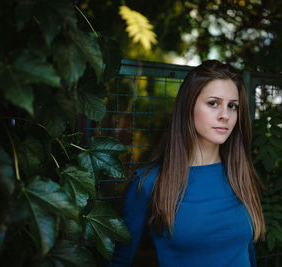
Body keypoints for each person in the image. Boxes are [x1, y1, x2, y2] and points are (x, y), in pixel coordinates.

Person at [110, 60, 265, 266]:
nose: (225, 116)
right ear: (188, 106)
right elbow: (120, 261)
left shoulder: (240, 176)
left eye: (232, 106)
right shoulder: (150, 183)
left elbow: (246, 252)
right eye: (213, 103)